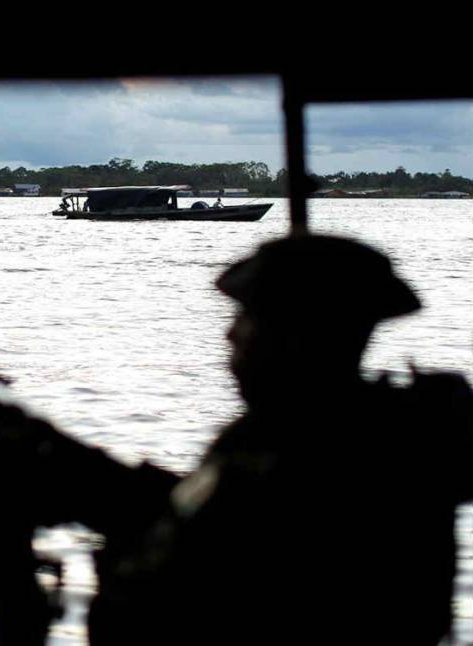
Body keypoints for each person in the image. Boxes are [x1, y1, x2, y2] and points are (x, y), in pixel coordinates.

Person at [82, 235, 473, 644]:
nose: (230, 335)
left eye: (247, 317)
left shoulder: (324, 461)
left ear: (296, 333)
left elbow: (201, 578)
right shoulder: (371, 439)